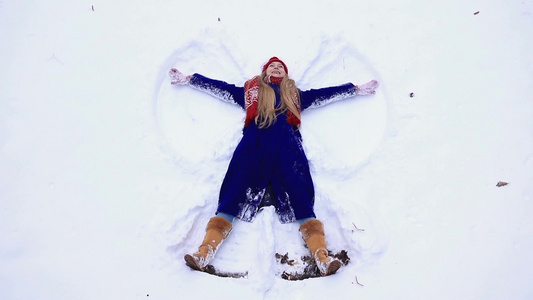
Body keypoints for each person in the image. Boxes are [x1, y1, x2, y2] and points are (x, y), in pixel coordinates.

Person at [169, 57, 379, 276]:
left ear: (285, 74)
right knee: (233, 192)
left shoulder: (295, 95)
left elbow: (323, 94)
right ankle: (204, 253)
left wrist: (354, 89)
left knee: (300, 196)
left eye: (280, 66)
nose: (276, 68)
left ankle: (322, 258)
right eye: (272, 65)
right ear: (265, 71)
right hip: (254, 141)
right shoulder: (251, 91)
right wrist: (190, 79)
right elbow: (220, 87)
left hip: (287, 144)